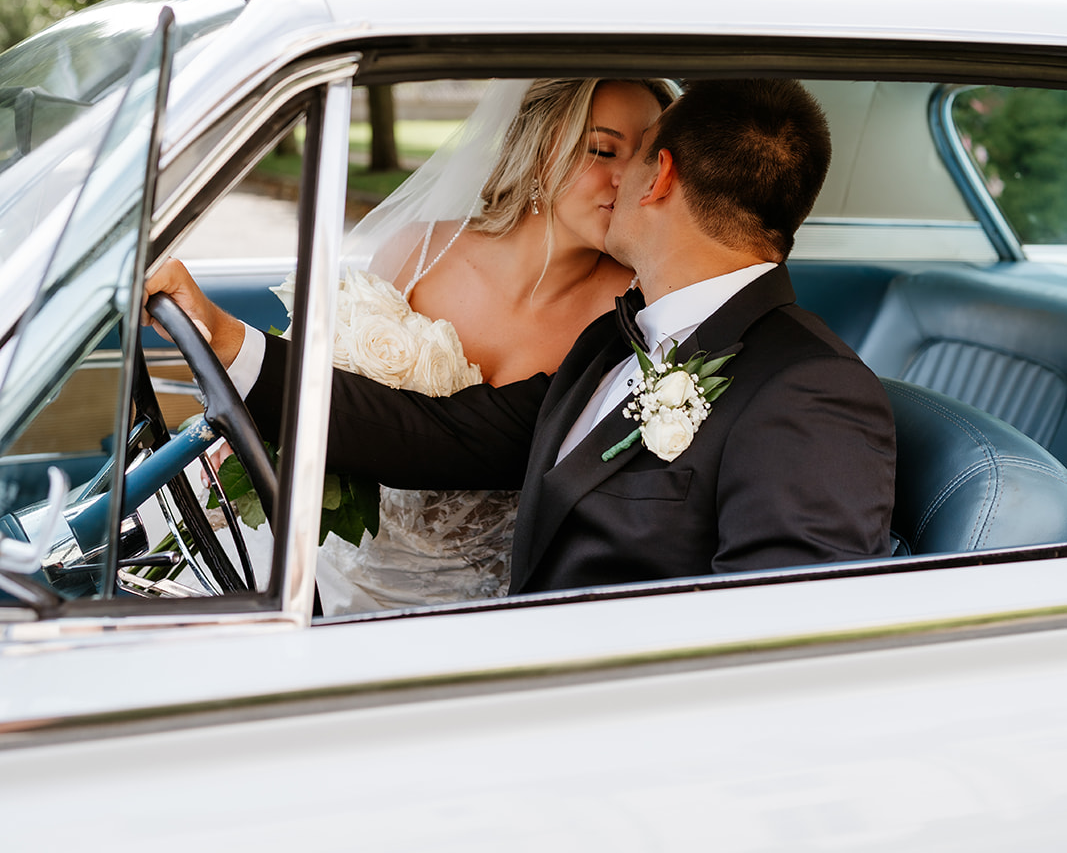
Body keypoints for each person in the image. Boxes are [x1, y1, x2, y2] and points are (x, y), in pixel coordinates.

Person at [149, 77, 896, 595]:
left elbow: (790, 644)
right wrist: (222, 337)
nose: (611, 179)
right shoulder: (620, 343)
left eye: (627, 155)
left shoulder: (808, 390)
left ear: (656, 177)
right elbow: (432, 437)